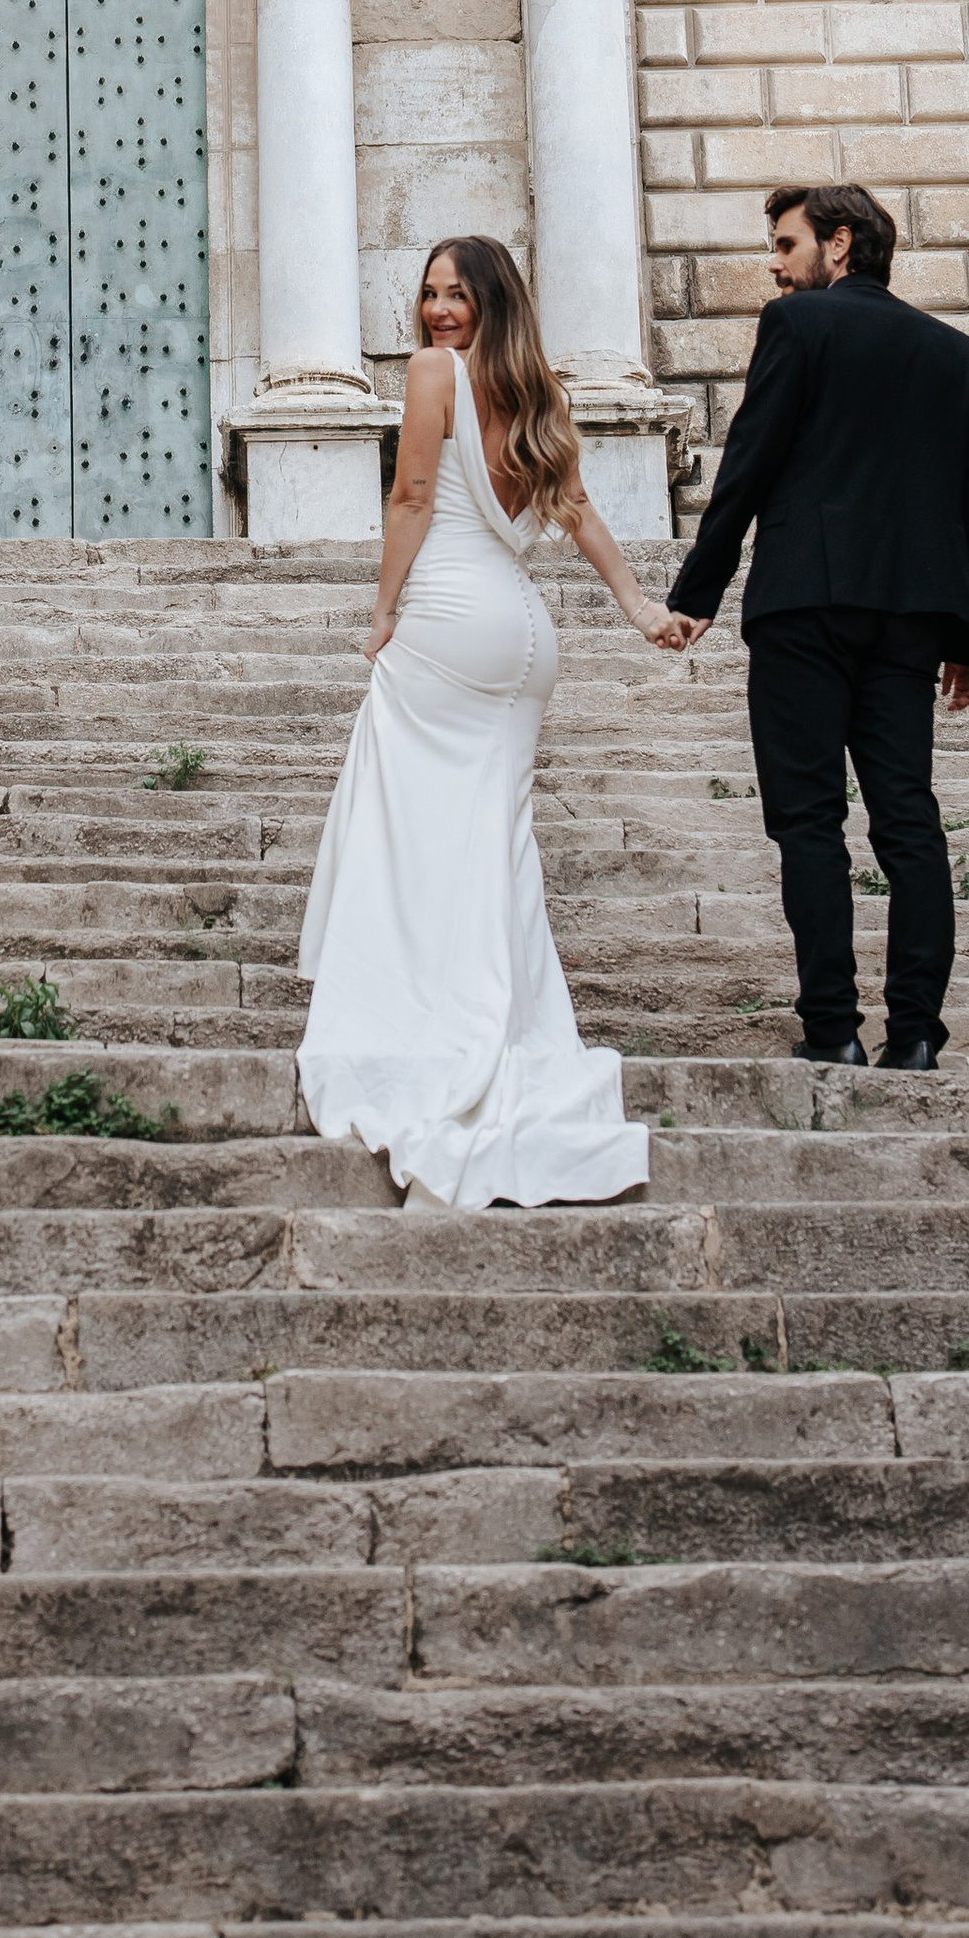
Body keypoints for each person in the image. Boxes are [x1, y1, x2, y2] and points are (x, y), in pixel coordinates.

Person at [296, 235, 688, 1212]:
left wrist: (383, 610)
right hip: (522, 637)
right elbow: (577, 507)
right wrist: (638, 606)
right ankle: (506, 1023)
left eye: (454, 295)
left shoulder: (434, 375)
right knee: (495, 848)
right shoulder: (533, 388)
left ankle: (436, 1019)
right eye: (427, 295)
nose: (435, 312)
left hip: (446, 621)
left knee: (413, 835)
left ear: (488, 302)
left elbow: (412, 494)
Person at [665, 180, 969, 1073]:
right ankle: (918, 1032)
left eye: (785, 244)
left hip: (805, 608)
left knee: (809, 820)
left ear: (840, 243)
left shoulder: (798, 328)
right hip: (910, 619)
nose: (773, 264)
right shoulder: (953, 351)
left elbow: (749, 463)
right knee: (907, 820)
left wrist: (698, 590)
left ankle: (832, 1028)